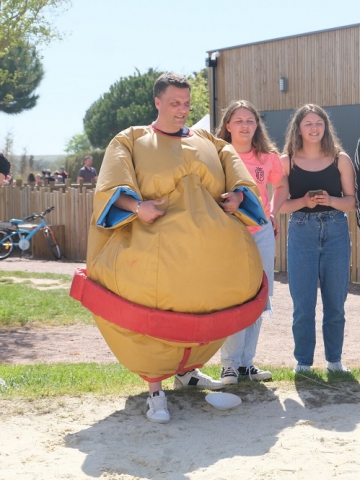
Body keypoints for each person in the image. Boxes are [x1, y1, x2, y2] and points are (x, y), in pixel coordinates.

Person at [70, 72, 269, 424]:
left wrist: (239, 195)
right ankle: (155, 391)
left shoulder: (210, 141)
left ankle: (187, 372)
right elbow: (110, 186)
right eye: (175, 103)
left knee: (204, 306)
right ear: (158, 102)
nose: (181, 110)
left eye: (186, 104)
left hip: (207, 259)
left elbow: (239, 177)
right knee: (154, 313)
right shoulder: (131, 140)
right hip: (152, 256)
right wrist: (137, 207)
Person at [215, 100, 289, 384]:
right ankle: (229, 365)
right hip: (230, 234)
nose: (245, 125)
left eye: (251, 120)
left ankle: (246, 364)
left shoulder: (267, 157)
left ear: (257, 125)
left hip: (260, 233)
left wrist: (271, 212)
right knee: (235, 296)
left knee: (260, 296)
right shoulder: (219, 155)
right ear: (228, 126)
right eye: (239, 120)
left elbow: (281, 185)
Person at [279, 104, 356, 373]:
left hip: (335, 230)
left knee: (336, 303)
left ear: (326, 127)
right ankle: (303, 363)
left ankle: (334, 362)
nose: (314, 128)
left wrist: (331, 200)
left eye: (319, 123)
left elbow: (351, 202)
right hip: (301, 231)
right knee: (303, 305)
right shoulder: (285, 161)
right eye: (308, 123)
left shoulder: (340, 159)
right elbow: (278, 206)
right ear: (298, 128)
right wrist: (302, 201)